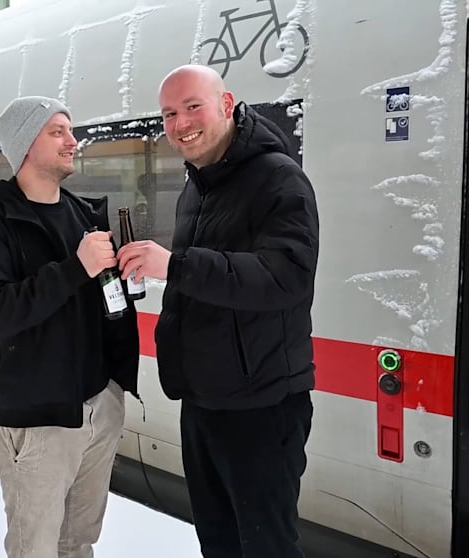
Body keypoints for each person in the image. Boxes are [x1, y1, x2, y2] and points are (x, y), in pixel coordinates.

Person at [117, 65, 319, 558]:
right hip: (206, 401)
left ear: (227, 104)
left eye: (192, 107)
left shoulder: (278, 179)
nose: (180, 123)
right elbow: (208, 282)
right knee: (219, 542)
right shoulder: (200, 185)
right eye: (169, 113)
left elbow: (284, 277)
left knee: (264, 546)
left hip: (261, 405)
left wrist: (176, 264)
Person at [0, 96, 140, 558]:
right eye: (57, 131)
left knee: (78, 543)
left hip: (98, 406)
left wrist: (121, 280)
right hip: (38, 420)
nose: (72, 141)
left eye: (70, 130)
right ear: (24, 145)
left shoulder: (85, 215)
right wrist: (73, 269)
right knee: (35, 550)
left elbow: (101, 300)